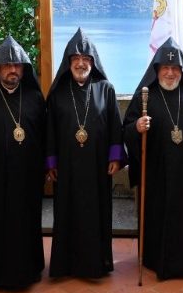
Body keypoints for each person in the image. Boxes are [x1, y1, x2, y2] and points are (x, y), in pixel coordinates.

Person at [122, 37, 183, 280]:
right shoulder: (145, 95)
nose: (170, 73)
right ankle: (152, 258)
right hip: (155, 169)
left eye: (175, 68)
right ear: (157, 69)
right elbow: (126, 127)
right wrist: (137, 126)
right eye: (165, 68)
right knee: (156, 213)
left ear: (181, 70)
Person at [46, 28, 124, 279]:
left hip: (98, 165)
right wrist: (51, 162)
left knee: (96, 213)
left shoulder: (106, 89)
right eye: (76, 59)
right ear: (68, 62)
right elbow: (50, 131)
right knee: (67, 213)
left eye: (86, 59)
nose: (81, 63)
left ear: (93, 62)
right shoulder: (57, 92)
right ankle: (66, 265)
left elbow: (115, 125)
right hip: (67, 167)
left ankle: (96, 264)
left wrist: (115, 157)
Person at [0, 36, 46, 289]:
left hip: (27, 177)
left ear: (24, 69)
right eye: (8, 65)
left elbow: (45, 135)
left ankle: (31, 268)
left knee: (26, 222)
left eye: (18, 65)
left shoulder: (35, 97)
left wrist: (46, 166)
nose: (13, 69)